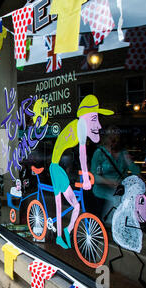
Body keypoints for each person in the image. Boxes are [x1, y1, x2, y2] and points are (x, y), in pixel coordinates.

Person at [50, 95, 114, 249]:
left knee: (71, 205)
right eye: (94, 118)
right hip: (56, 167)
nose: (98, 125)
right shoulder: (80, 126)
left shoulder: (78, 125)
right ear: (84, 117)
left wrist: (83, 175)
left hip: (60, 167)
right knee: (67, 205)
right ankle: (61, 235)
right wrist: (85, 177)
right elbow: (82, 153)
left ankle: (64, 232)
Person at [90, 126, 140, 223]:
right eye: (111, 137)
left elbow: (135, 171)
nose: (114, 140)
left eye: (116, 137)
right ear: (105, 138)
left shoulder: (123, 153)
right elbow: (94, 177)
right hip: (102, 193)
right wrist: (110, 182)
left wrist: (129, 162)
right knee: (114, 205)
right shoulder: (99, 153)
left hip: (120, 191)